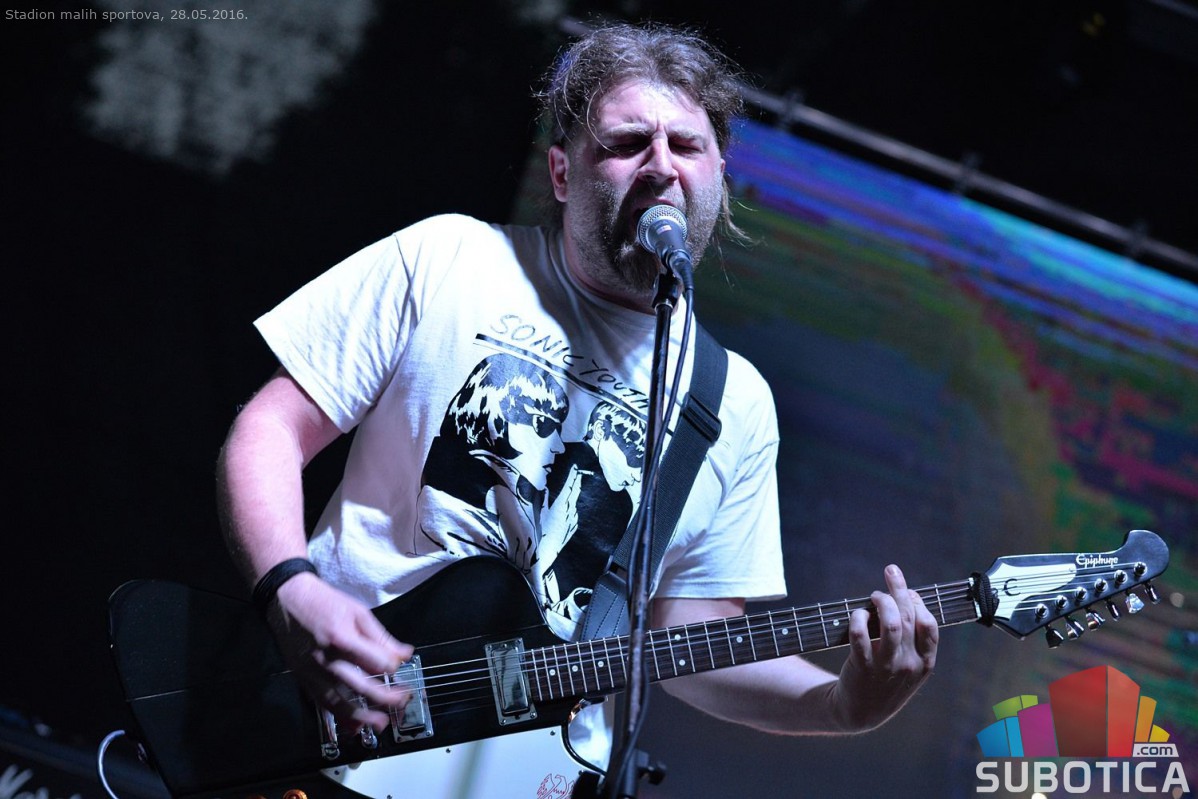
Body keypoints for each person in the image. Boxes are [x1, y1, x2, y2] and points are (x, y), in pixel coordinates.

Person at [215, 19, 938, 783]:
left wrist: (842, 705)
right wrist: (290, 589)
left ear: (719, 174)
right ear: (562, 173)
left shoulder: (732, 400)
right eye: (628, 143)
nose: (661, 166)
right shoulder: (451, 258)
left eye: (686, 145)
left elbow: (691, 638)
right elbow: (271, 428)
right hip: (329, 723)